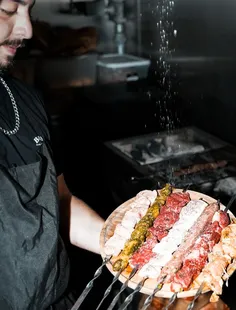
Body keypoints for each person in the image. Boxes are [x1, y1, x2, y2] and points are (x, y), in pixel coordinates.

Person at [0, 0, 106, 309]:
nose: (27, 29)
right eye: (8, 9)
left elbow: (58, 199)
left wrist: (122, 244)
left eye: (28, 11)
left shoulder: (26, 100)